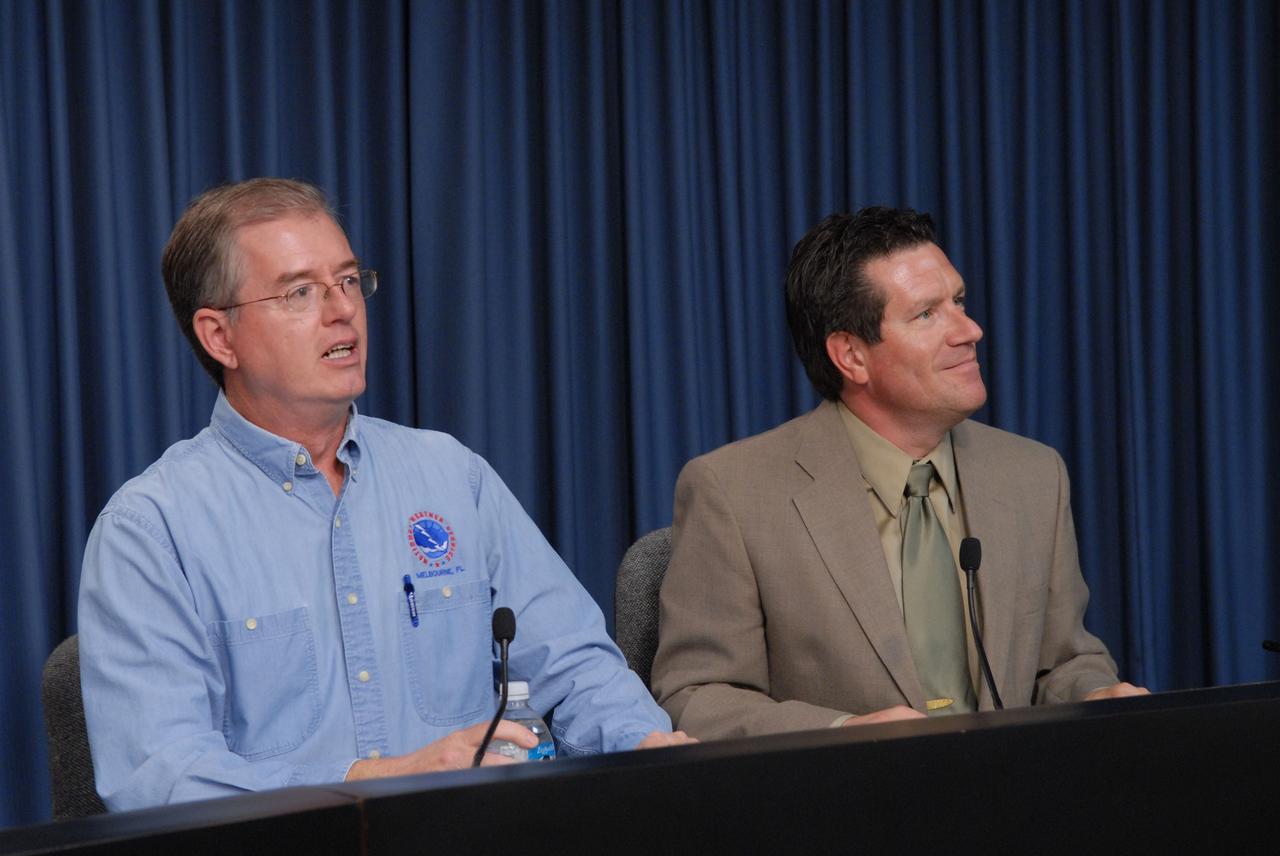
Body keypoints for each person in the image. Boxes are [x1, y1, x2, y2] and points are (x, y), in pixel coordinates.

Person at [78, 178, 689, 812]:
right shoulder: (150, 531)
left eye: (348, 281)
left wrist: (643, 745)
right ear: (219, 337)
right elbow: (163, 780)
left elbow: (571, 665)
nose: (341, 308)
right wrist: (383, 779)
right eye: (300, 292)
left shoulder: (452, 476)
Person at [650, 207, 1146, 740]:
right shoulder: (734, 491)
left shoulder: (1032, 475)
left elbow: (1063, 662)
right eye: (927, 314)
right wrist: (845, 731)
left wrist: (1096, 693)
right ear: (851, 357)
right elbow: (697, 696)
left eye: (958, 301)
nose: (971, 330)